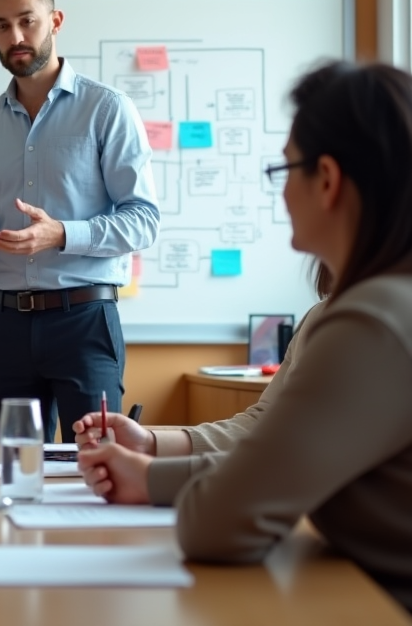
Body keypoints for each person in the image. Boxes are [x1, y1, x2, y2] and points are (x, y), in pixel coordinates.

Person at [78, 61, 412, 613]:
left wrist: (155, 478)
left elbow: (218, 525)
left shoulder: (370, 325)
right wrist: (153, 473)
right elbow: (280, 458)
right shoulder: (382, 306)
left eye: (286, 172)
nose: (281, 196)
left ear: (326, 180)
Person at [0, 0, 160, 443]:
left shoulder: (107, 110)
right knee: (13, 475)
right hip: (4, 325)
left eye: (28, 20)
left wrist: (60, 233)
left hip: (84, 322)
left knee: (97, 468)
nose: (16, 35)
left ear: (55, 21)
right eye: (2, 25)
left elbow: (144, 221)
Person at [72, 262, 330, 462]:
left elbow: (299, 449)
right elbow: (265, 424)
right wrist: (148, 442)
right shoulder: (319, 316)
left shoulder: (354, 325)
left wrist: (153, 479)